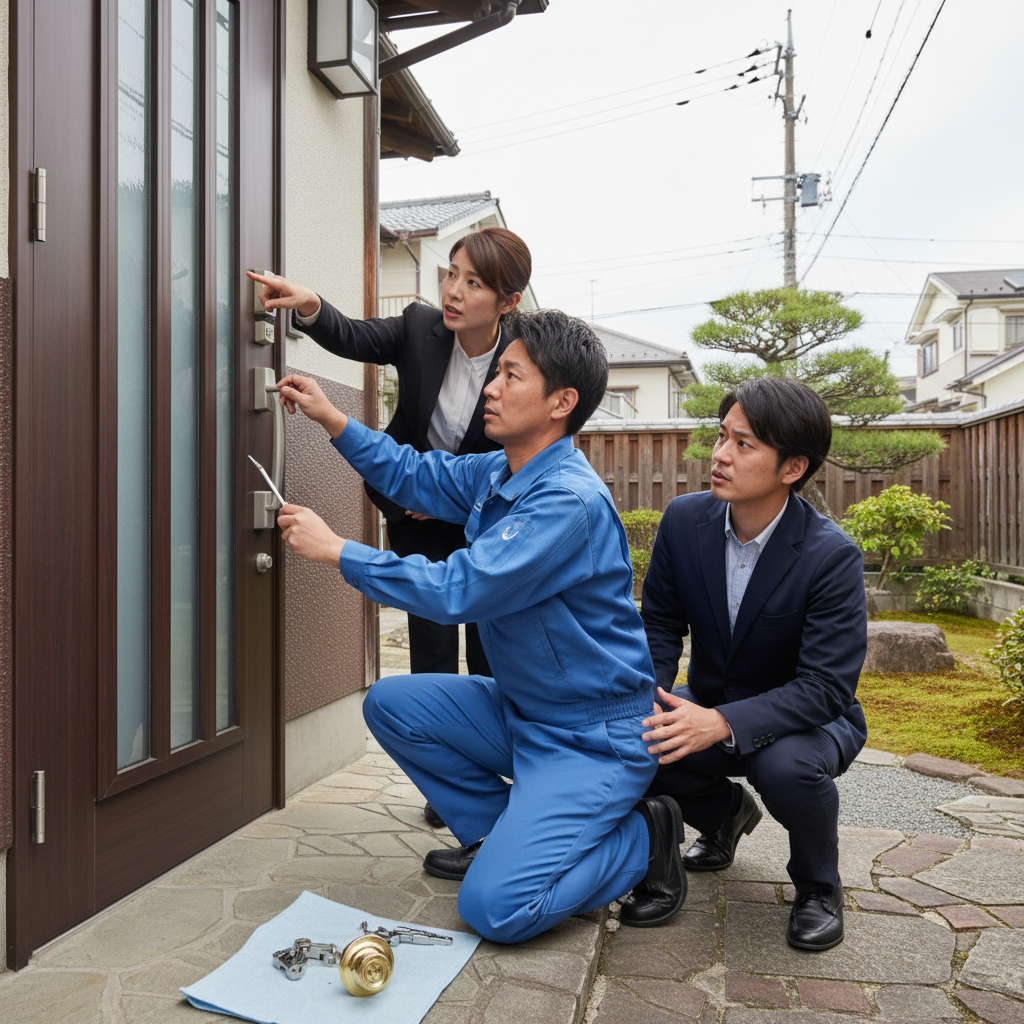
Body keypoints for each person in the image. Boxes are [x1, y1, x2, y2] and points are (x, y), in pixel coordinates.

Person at [272, 309, 686, 944]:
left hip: (591, 735)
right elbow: (415, 473)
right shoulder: (500, 471)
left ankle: (644, 839)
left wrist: (338, 551)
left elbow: (457, 589)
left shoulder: (565, 502)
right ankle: (499, 834)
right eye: (497, 373)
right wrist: (333, 419)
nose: (490, 387)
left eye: (511, 376)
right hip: (523, 711)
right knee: (392, 704)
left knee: (495, 911)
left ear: (561, 402)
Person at [249, 227, 530, 829]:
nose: (453, 291)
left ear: (507, 302)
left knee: (489, 649)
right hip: (416, 515)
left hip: (485, 518)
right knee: (430, 649)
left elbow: (523, 452)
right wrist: (309, 304)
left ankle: (502, 775)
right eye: (451, 273)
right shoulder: (419, 328)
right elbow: (351, 334)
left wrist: (452, 499)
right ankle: (449, 784)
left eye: (473, 283)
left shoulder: (522, 358)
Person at [621, 376, 867, 950]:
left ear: (792, 467)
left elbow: (827, 687)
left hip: (809, 720)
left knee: (782, 768)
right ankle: (726, 814)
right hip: (712, 700)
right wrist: (650, 700)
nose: (721, 455)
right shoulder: (685, 521)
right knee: (636, 739)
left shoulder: (831, 556)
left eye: (744, 444)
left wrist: (725, 722)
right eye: (722, 437)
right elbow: (660, 624)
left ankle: (817, 887)